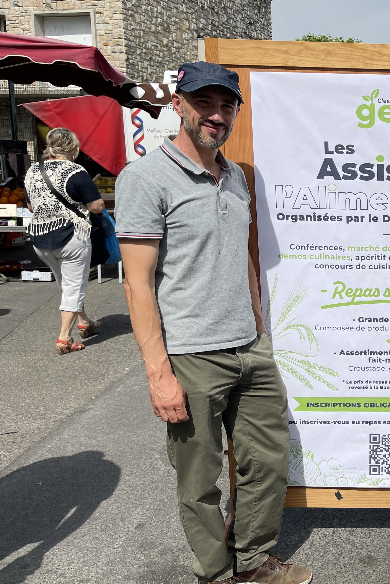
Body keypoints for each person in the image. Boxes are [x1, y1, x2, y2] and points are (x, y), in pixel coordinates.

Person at [115, 62, 312, 584]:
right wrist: (159, 374)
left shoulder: (237, 177)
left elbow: (242, 256)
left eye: (226, 105)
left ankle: (254, 562)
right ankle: (214, 571)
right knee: (199, 479)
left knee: (267, 463)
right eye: (203, 102)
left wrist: (259, 325)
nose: (216, 115)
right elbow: (137, 285)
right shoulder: (145, 179)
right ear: (177, 104)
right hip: (192, 355)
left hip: (249, 347)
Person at [23, 128, 103, 354]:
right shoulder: (75, 171)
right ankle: (64, 338)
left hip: (41, 239)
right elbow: (96, 206)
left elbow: (30, 207)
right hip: (71, 237)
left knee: (67, 285)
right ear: (73, 147)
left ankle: (84, 321)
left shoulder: (33, 171)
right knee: (73, 287)